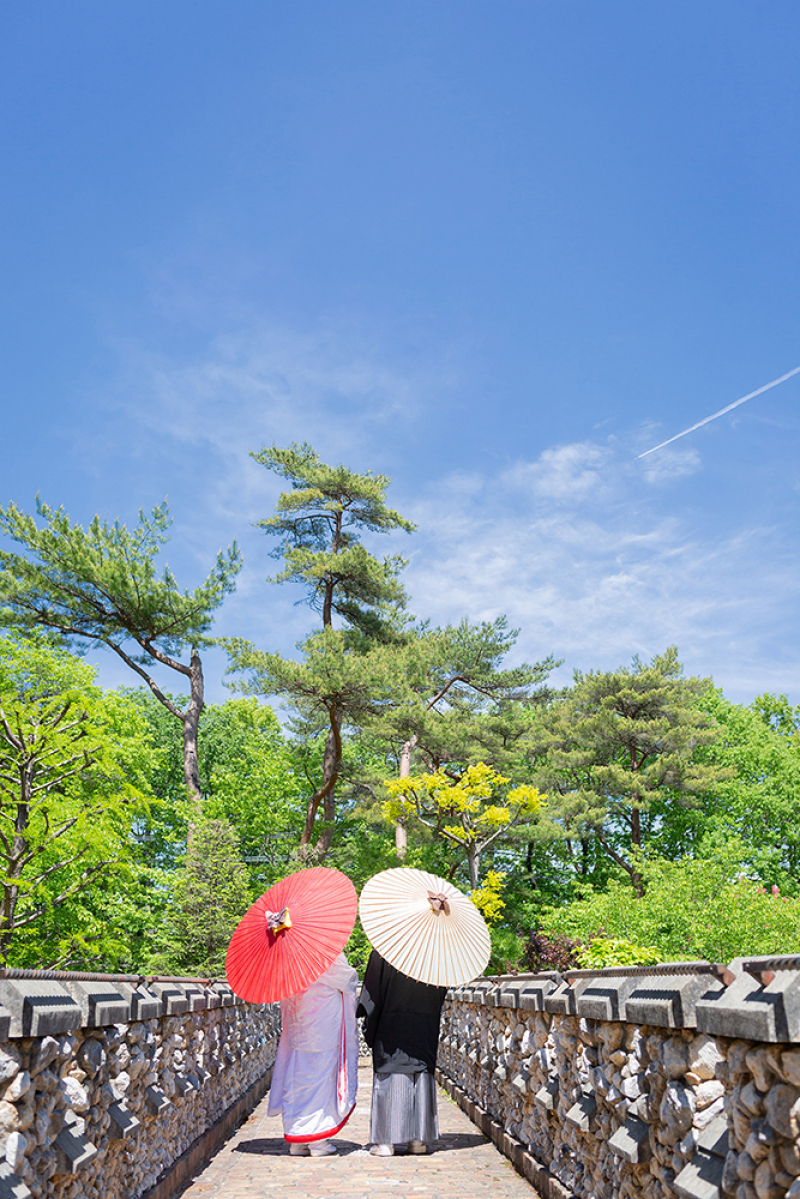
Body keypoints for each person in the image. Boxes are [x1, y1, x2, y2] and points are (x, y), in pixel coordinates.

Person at [356, 948, 448, 1157]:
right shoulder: (436, 951)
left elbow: (371, 995)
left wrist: (369, 1025)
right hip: (424, 1023)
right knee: (421, 1072)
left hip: (391, 1024)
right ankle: (418, 1140)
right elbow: (442, 991)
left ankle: (386, 1142)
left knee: (391, 1074)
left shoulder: (386, 950)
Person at [268, 951, 359, 1156]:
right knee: (321, 1081)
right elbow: (347, 979)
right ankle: (318, 1142)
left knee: (297, 1080)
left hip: (298, 1024)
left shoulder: (286, 955)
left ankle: (297, 1138)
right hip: (323, 1024)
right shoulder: (325, 952)